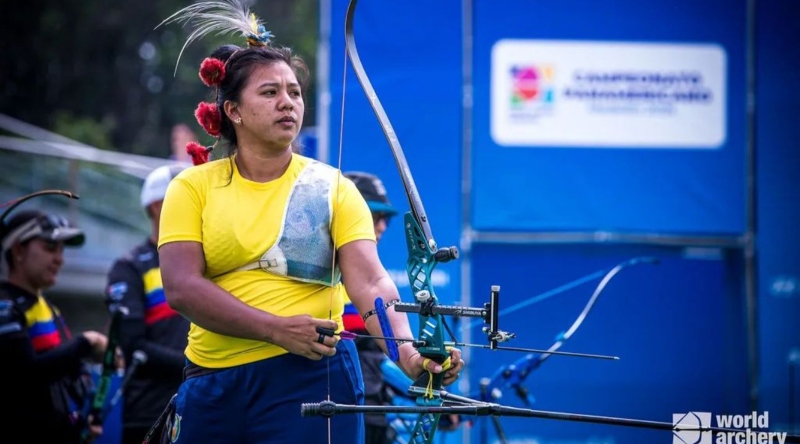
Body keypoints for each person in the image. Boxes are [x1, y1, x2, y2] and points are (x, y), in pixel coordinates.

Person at [153, 3, 464, 443]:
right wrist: (274, 329)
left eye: (294, 92)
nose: (288, 103)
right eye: (269, 93)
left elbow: (372, 284)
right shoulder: (192, 187)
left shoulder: (331, 187)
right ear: (234, 111)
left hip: (312, 380)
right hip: (212, 382)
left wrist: (411, 355)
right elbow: (182, 287)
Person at [0, 209, 110, 444]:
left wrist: (82, 423)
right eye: (50, 248)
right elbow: (26, 374)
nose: (60, 259)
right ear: (18, 250)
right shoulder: (4, 305)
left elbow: (66, 372)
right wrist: (86, 342)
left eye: (61, 250)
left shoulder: (49, 309)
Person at [104, 164, 190, 444]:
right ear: (156, 207)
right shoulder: (129, 267)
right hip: (149, 413)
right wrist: (194, 364)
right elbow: (132, 345)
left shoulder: (206, 261)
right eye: (185, 197)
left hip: (200, 405)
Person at [341, 171, 398, 444]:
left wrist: (430, 392)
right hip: (339, 413)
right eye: (374, 216)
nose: (382, 226)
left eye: (385, 218)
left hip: (371, 413)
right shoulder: (326, 278)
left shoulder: (366, 279)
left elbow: (386, 359)